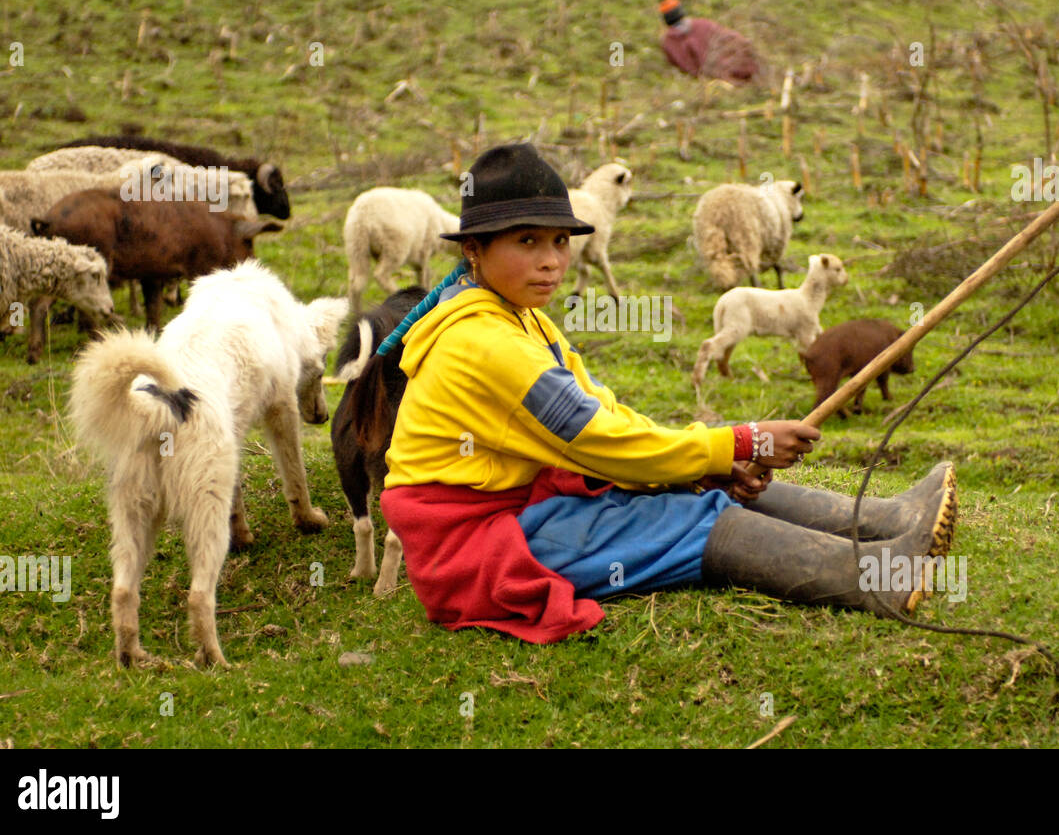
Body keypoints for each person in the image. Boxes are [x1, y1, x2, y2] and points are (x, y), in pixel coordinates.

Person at [361, 143, 957, 643]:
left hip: (525, 499)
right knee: (688, 518)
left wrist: (702, 463)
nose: (551, 262)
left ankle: (885, 520)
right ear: (474, 249)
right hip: (476, 545)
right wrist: (734, 443)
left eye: (560, 242)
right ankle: (877, 578)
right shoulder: (483, 340)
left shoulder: (521, 316)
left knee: (702, 487)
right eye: (527, 242)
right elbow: (595, 437)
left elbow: (604, 410)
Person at [658, 0, 761, 86]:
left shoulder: (668, 43)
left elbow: (682, 67)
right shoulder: (704, 25)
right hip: (735, 74)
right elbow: (736, 41)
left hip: (710, 81)